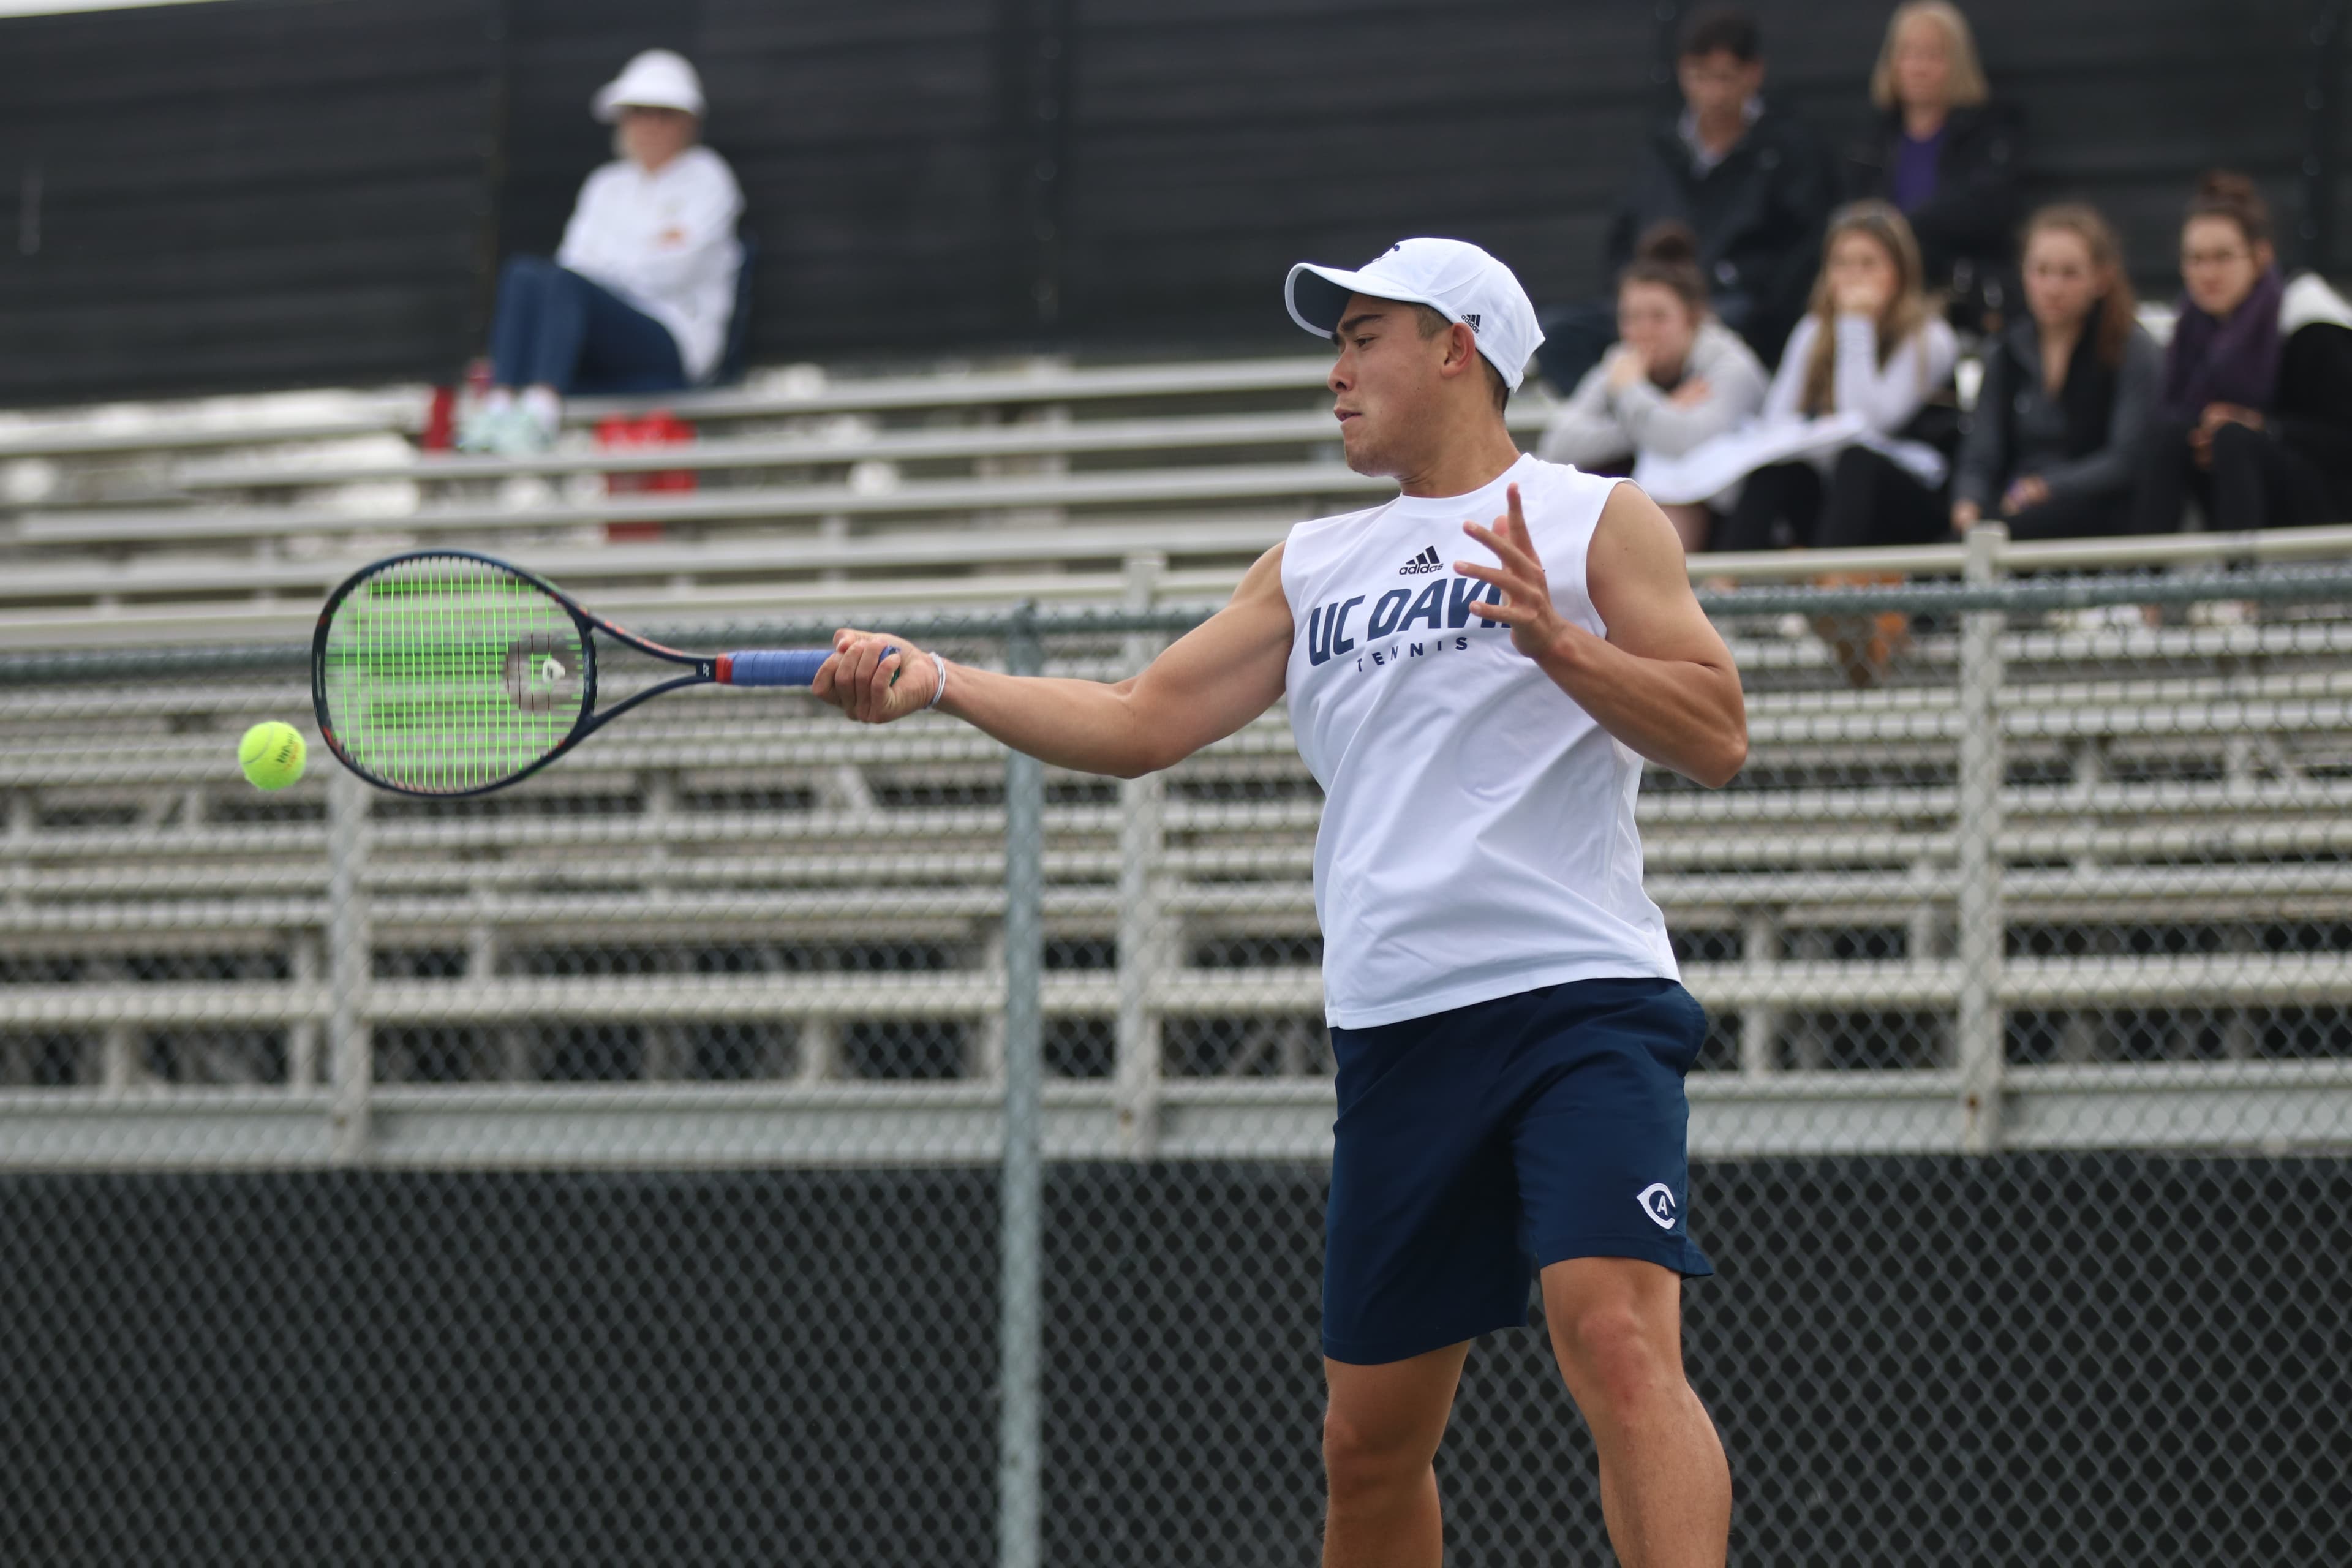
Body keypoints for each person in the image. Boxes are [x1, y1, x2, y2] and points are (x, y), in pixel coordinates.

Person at [814, 238, 1746, 1568]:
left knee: (1616, 1341)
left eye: (1364, 339)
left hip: (1579, 1004)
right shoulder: (1312, 563)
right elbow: (1137, 718)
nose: (1337, 372)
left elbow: (1717, 731)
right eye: (1337, 345)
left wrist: (1561, 644)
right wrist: (944, 680)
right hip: (1397, 1027)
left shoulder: (1596, 518)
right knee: (1368, 1449)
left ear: (1456, 349)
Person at [458, 50, 744, 454]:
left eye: (665, 114)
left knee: (566, 286)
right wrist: (645, 254)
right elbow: (575, 265)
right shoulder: (605, 185)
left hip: (673, 341)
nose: (651, 125)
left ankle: (541, 412)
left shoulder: (709, 177)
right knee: (523, 273)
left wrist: (609, 271)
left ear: (688, 122)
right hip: (603, 335)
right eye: (639, 113)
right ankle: (500, 405)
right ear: (622, 120)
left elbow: (674, 272)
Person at [1537, 5, 1833, 391]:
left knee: (1727, 334)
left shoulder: (1789, 152)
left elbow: (1802, 254)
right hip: (1651, 304)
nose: (1713, 93)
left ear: (1754, 73)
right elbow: (1621, 239)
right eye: (1700, 76)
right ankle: (1629, 407)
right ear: (1681, 72)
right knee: (1558, 335)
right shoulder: (1660, 150)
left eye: (1725, 77)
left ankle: (1673, 406)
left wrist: (1743, 297)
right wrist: (1637, 301)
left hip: (1735, 313)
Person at [1711, 202, 1960, 557]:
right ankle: (1728, 580)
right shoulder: (1813, 330)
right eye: (1841, 264)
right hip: (1832, 491)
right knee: (1774, 471)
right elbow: (1776, 423)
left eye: (1868, 264)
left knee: (1856, 461)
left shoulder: (1930, 337)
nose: (1853, 276)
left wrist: (1855, 323)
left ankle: (1830, 585)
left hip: (1904, 495)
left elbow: (1868, 421)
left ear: (1900, 272)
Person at [2132, 172, 2352, 534]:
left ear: (2261, 256)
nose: (2207, 273)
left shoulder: (2310, 324)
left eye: (2222, 257)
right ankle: (2146, 567)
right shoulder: (2188, 334)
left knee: (2232, 438)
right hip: (2231, 495)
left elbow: (2341, 439)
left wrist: (2263, 427)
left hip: (2321, 509)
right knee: (2172, 435)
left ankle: (2240, 572)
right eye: (2195, 259)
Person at [1539, 224, 1769, 552]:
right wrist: (1659, 411)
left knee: (1676, 498)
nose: (1642, 332)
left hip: (1734, 520)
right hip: (1646, 511)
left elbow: (1684, 442)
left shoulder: (1733, 367)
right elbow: (1559, 445)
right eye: (1631, 318)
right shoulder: (1621, 364)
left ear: (1693, 319)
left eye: (1659, 318)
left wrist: (1632, 393)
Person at [1951, 204, 2158, 541]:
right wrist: (1967, 505)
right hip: (2011, 512)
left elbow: (2126, 459)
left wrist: (2045, 488)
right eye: (2041, 271)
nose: (2053, 287)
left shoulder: (2131, 348)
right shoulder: (2004, 352)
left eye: (2069, 273)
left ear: (2101, 278)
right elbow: (1980, 456)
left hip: (2095, 514)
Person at [1845, 1, 2022, 332]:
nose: (1919, 68)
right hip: (1881, 294)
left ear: (1958, 63)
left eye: (1932, 55)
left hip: (1957, 298)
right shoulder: (1873, 139)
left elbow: (1985, 209)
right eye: (1909, 54)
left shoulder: (1987, 134)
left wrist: (1899, 229)